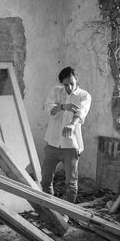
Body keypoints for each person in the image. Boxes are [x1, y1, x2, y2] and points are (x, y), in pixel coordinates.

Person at [41, 67, 91, 203]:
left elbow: (81, 113)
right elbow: (48, 109)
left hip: (71, 145)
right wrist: (64, 106)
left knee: (70, 184)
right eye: (65, 84)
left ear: (77, 81)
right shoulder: (56, 91)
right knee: (45, 180)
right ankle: (50, 209)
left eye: (72, 83)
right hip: (52, 143)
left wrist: (72, 124)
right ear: (61, 83)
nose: (69, 87)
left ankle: (67, 213)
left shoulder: (84, 96)